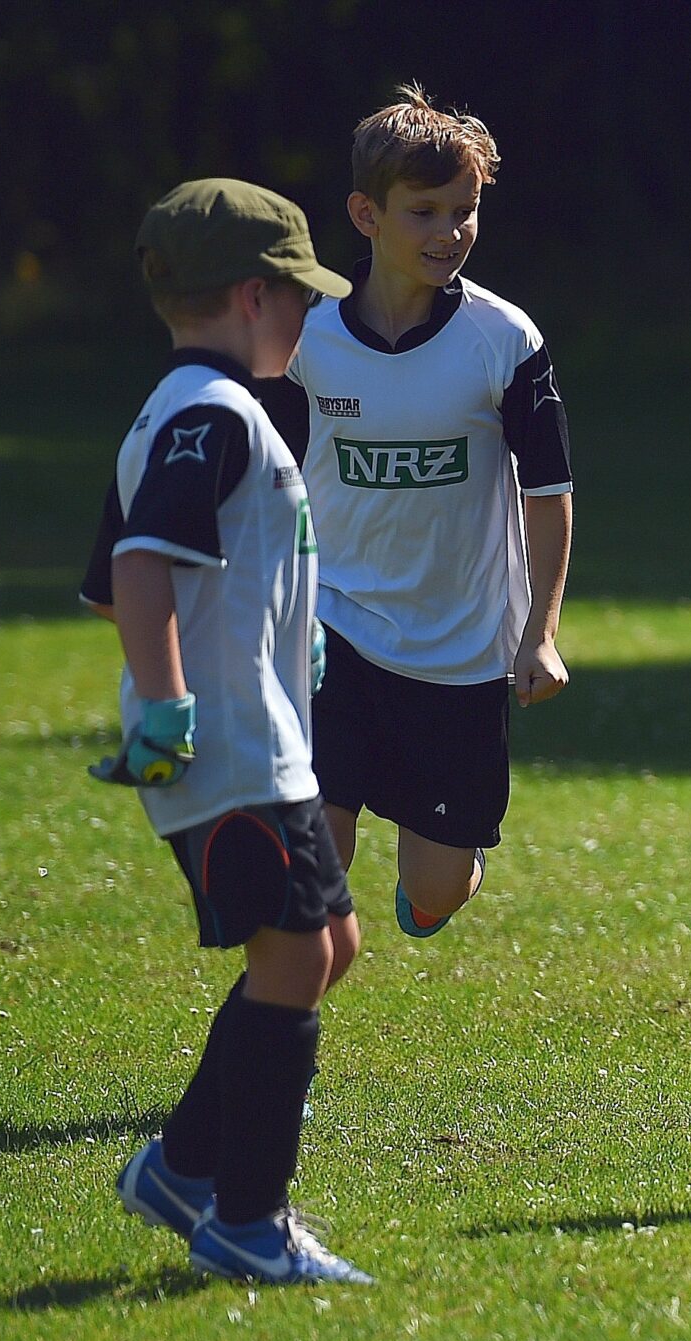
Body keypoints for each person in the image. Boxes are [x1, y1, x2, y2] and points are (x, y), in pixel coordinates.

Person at [83, 178, 371, 1284]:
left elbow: (118, 581)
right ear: (255, 296)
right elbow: (138, 568)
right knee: (295, 956)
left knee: (328, 948)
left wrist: (260, 635)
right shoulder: (212, 414)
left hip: (265, 739)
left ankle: (182, 1169)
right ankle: (248, 1223)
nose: (309, 318)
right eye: (300, 295)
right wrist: (168, 706)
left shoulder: (174, 408)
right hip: (227, 747)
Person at [267, 82, 575, 939]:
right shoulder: (308, 336)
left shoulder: (503, 341)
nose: (450, 233)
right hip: (334, 627)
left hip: (460, 647)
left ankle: (430, 890)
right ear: (366, 215)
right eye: (425, 212)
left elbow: (548, 493)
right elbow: (269, 480)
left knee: (437, 887)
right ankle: (290, 1018)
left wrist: (538, 632)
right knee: (314, 864)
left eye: (465, 212)